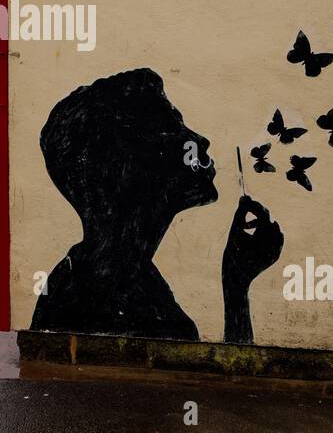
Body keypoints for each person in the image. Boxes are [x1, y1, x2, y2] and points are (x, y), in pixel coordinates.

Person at [31, 68, 284, 343]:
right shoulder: (111, 293)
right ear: (130, 165)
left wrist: (237, 281)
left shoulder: (121, 274)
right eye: (173, 125)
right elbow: (194, 385)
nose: (200, 140)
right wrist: (235, 288)